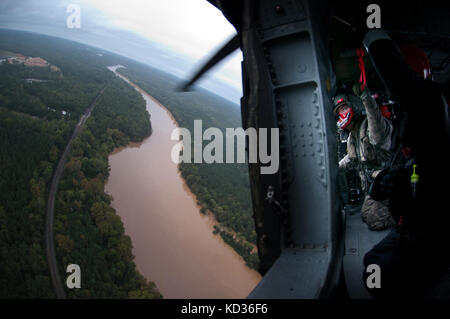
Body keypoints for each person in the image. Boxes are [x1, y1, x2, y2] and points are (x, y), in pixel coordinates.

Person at [362, 30, 450, 298]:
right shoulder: (410, 126)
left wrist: (372, 34)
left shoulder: (432, 106)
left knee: (373, 278)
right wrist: (382, 184)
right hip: (411, 225)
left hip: (432, 235)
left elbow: (404, 82)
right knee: (371, 263)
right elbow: (399, 168)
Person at [334, 85, 396, 231]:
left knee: (374, 219)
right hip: (373, 190)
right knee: (365, 214)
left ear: (353, 107)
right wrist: (335, 168)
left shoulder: (370, 124)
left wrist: (365, 97)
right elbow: (350, 158)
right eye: (338, 112)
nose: (341, 115)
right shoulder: (352, 136)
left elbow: (377, 135)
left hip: (387, 187)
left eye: (343, 108)